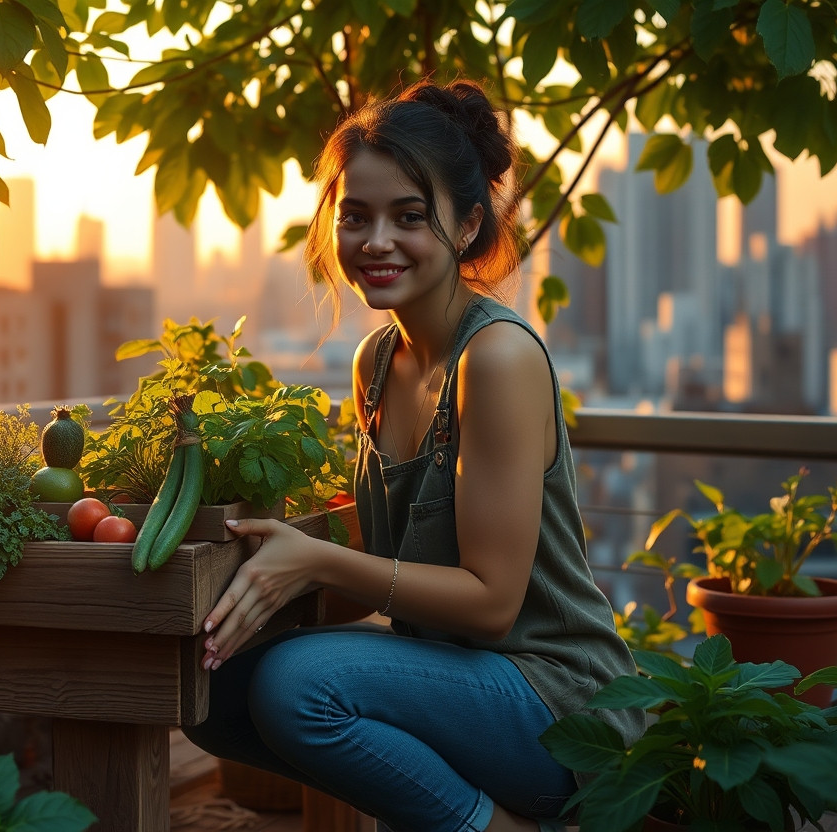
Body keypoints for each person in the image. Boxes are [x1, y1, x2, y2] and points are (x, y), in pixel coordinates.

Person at [183, 79, 645, 832]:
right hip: (462, 685)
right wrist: (250, 582)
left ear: (467, 225)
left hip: (561, 706)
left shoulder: (496, 359)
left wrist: (317, 560)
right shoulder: (376, 363)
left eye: (408, 216)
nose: (376, 242)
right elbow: (388, 562)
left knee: (301, 685)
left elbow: (493, 604)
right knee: (208, 686)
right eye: (356, 216)